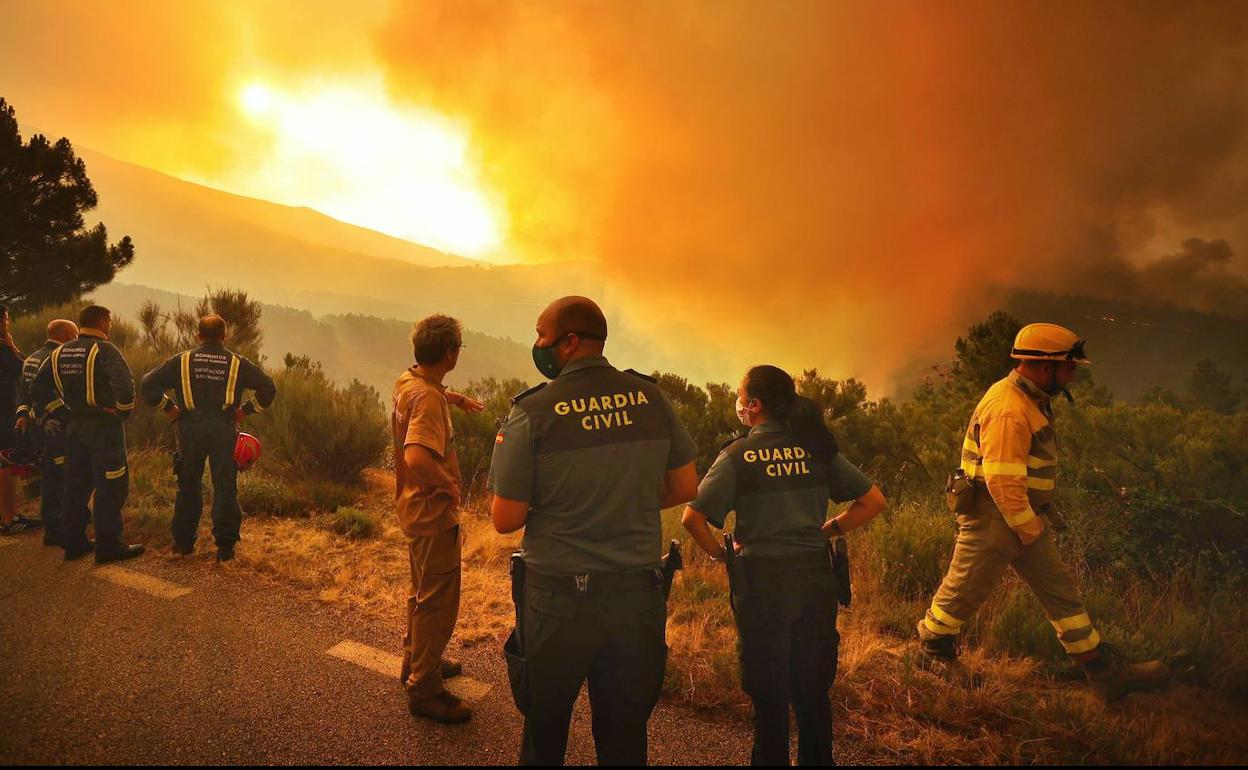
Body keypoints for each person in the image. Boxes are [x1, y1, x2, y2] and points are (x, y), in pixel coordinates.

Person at [488, 295, 699, 766]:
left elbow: (505, 518)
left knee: (544, 738)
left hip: (557, 602)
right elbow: (685, 485)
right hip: (636, 597)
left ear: (568, 342)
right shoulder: (650, 397)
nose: (537, 344)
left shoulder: (534, 411)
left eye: (541, 335)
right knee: (624, 741)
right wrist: (631, 501)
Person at [916, 322, 1169, 701]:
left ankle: (1102, 671)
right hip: (996, 516)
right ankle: (932, 651)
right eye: (1069, 368)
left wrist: (1030, 525)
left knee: (1062, 594)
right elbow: (1002, 482)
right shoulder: (1009, 409)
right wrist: (1029, 529)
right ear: (1045, 366)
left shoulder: (1027, 398)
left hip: (1019, 517)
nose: (1073, 376)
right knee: (964, 588)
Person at [682, 365, 887, 766]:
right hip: (815, 577)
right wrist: (827, 530)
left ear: (753, 406)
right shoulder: (816, 448)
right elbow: (873, 502)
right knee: (812, 690)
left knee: (769, 691)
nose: (738, 404)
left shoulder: (738, 455)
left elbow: (693, 519)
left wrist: (719, 554)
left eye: (741, 397)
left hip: (762, 584)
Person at [392, 314, 485, 724]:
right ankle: (425, 688)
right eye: (458, 348)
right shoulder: (427, 398)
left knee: (421, 591)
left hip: (411, 508)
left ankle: (415, 661)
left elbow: (426, 396)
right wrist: (448, 485)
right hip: (432, 513)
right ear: (449, 353)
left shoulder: (410, 382)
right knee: (438, 602)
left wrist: (458, 399)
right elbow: (415, 455)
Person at [139, 314, 277, 562]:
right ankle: (225, 548)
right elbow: (269, 388)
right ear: (224, 336)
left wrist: (168, 407)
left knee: (188, 485)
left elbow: (148, 384)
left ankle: (183, 544)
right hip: (224, 429)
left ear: (199, 335)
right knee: (225, 487)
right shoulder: (237, 363)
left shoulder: (181, 361)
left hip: (190, 428)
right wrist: (245, 411)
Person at [30, 305, 143, 563]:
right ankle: (108, 546)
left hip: (75, 429)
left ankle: (73, 543)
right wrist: (121, 412)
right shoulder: (104, 350)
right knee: (111, 485)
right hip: (104, 429)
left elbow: (38, 389)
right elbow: (125, 388)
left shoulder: (58, 353)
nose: (110, 326)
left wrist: (62, 413)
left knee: (75, 485)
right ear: (102, 321)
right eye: (110, 321)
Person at [14, 319, 79, 544]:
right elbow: (42, 393)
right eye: (76, 334)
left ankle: (61, 520)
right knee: (58, 475)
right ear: (69, 335)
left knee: (53, 473)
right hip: (55, 428)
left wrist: (23, 414)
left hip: (39, 426)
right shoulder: (56, 358)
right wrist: (67, 416)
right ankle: (55, 527)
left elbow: (23, 392)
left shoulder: (32, 357)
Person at [0, 304, 42, 535]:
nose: (8, 324)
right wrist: (13, 346)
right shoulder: (3, 350)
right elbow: (26, 370)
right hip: (3, 413)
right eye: (5, 319)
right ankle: (9, 519)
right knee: (5, 464)